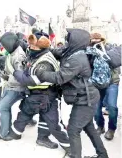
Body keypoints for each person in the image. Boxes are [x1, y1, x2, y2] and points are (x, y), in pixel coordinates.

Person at [26, 29, 108, 158]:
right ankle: (102, 155)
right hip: (85, 97)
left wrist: (40, 73)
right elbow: (58, 52)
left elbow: (60, 77)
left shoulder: (77, 59)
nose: (66, 42)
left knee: (73, 130)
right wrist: (40, 47)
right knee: (89, 128)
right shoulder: (73, 52)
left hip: (86, 100)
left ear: (76, 41)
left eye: (69, 39)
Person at [6, 32, 71, 156]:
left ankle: (69, 147)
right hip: (40, 94)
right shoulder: (38, 54)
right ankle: (28, 135)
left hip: (43, 94)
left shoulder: (44, 62)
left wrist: (15, 72)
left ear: (40, 47)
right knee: (27, 113)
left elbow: (31, 81)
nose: (30, 48)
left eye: (33, 46)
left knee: (51, 122)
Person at [91, 33, 120, 141]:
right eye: (93, 40)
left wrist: (102, 52)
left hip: (112, 82)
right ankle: (100, 126)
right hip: (97, 84)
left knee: (112, 107)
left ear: (102, 39)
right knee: (96, 108)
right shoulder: (89, 51)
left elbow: (116, 63)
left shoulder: (109, 48)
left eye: (98, 40)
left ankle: (111, 129)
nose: (96, 42)